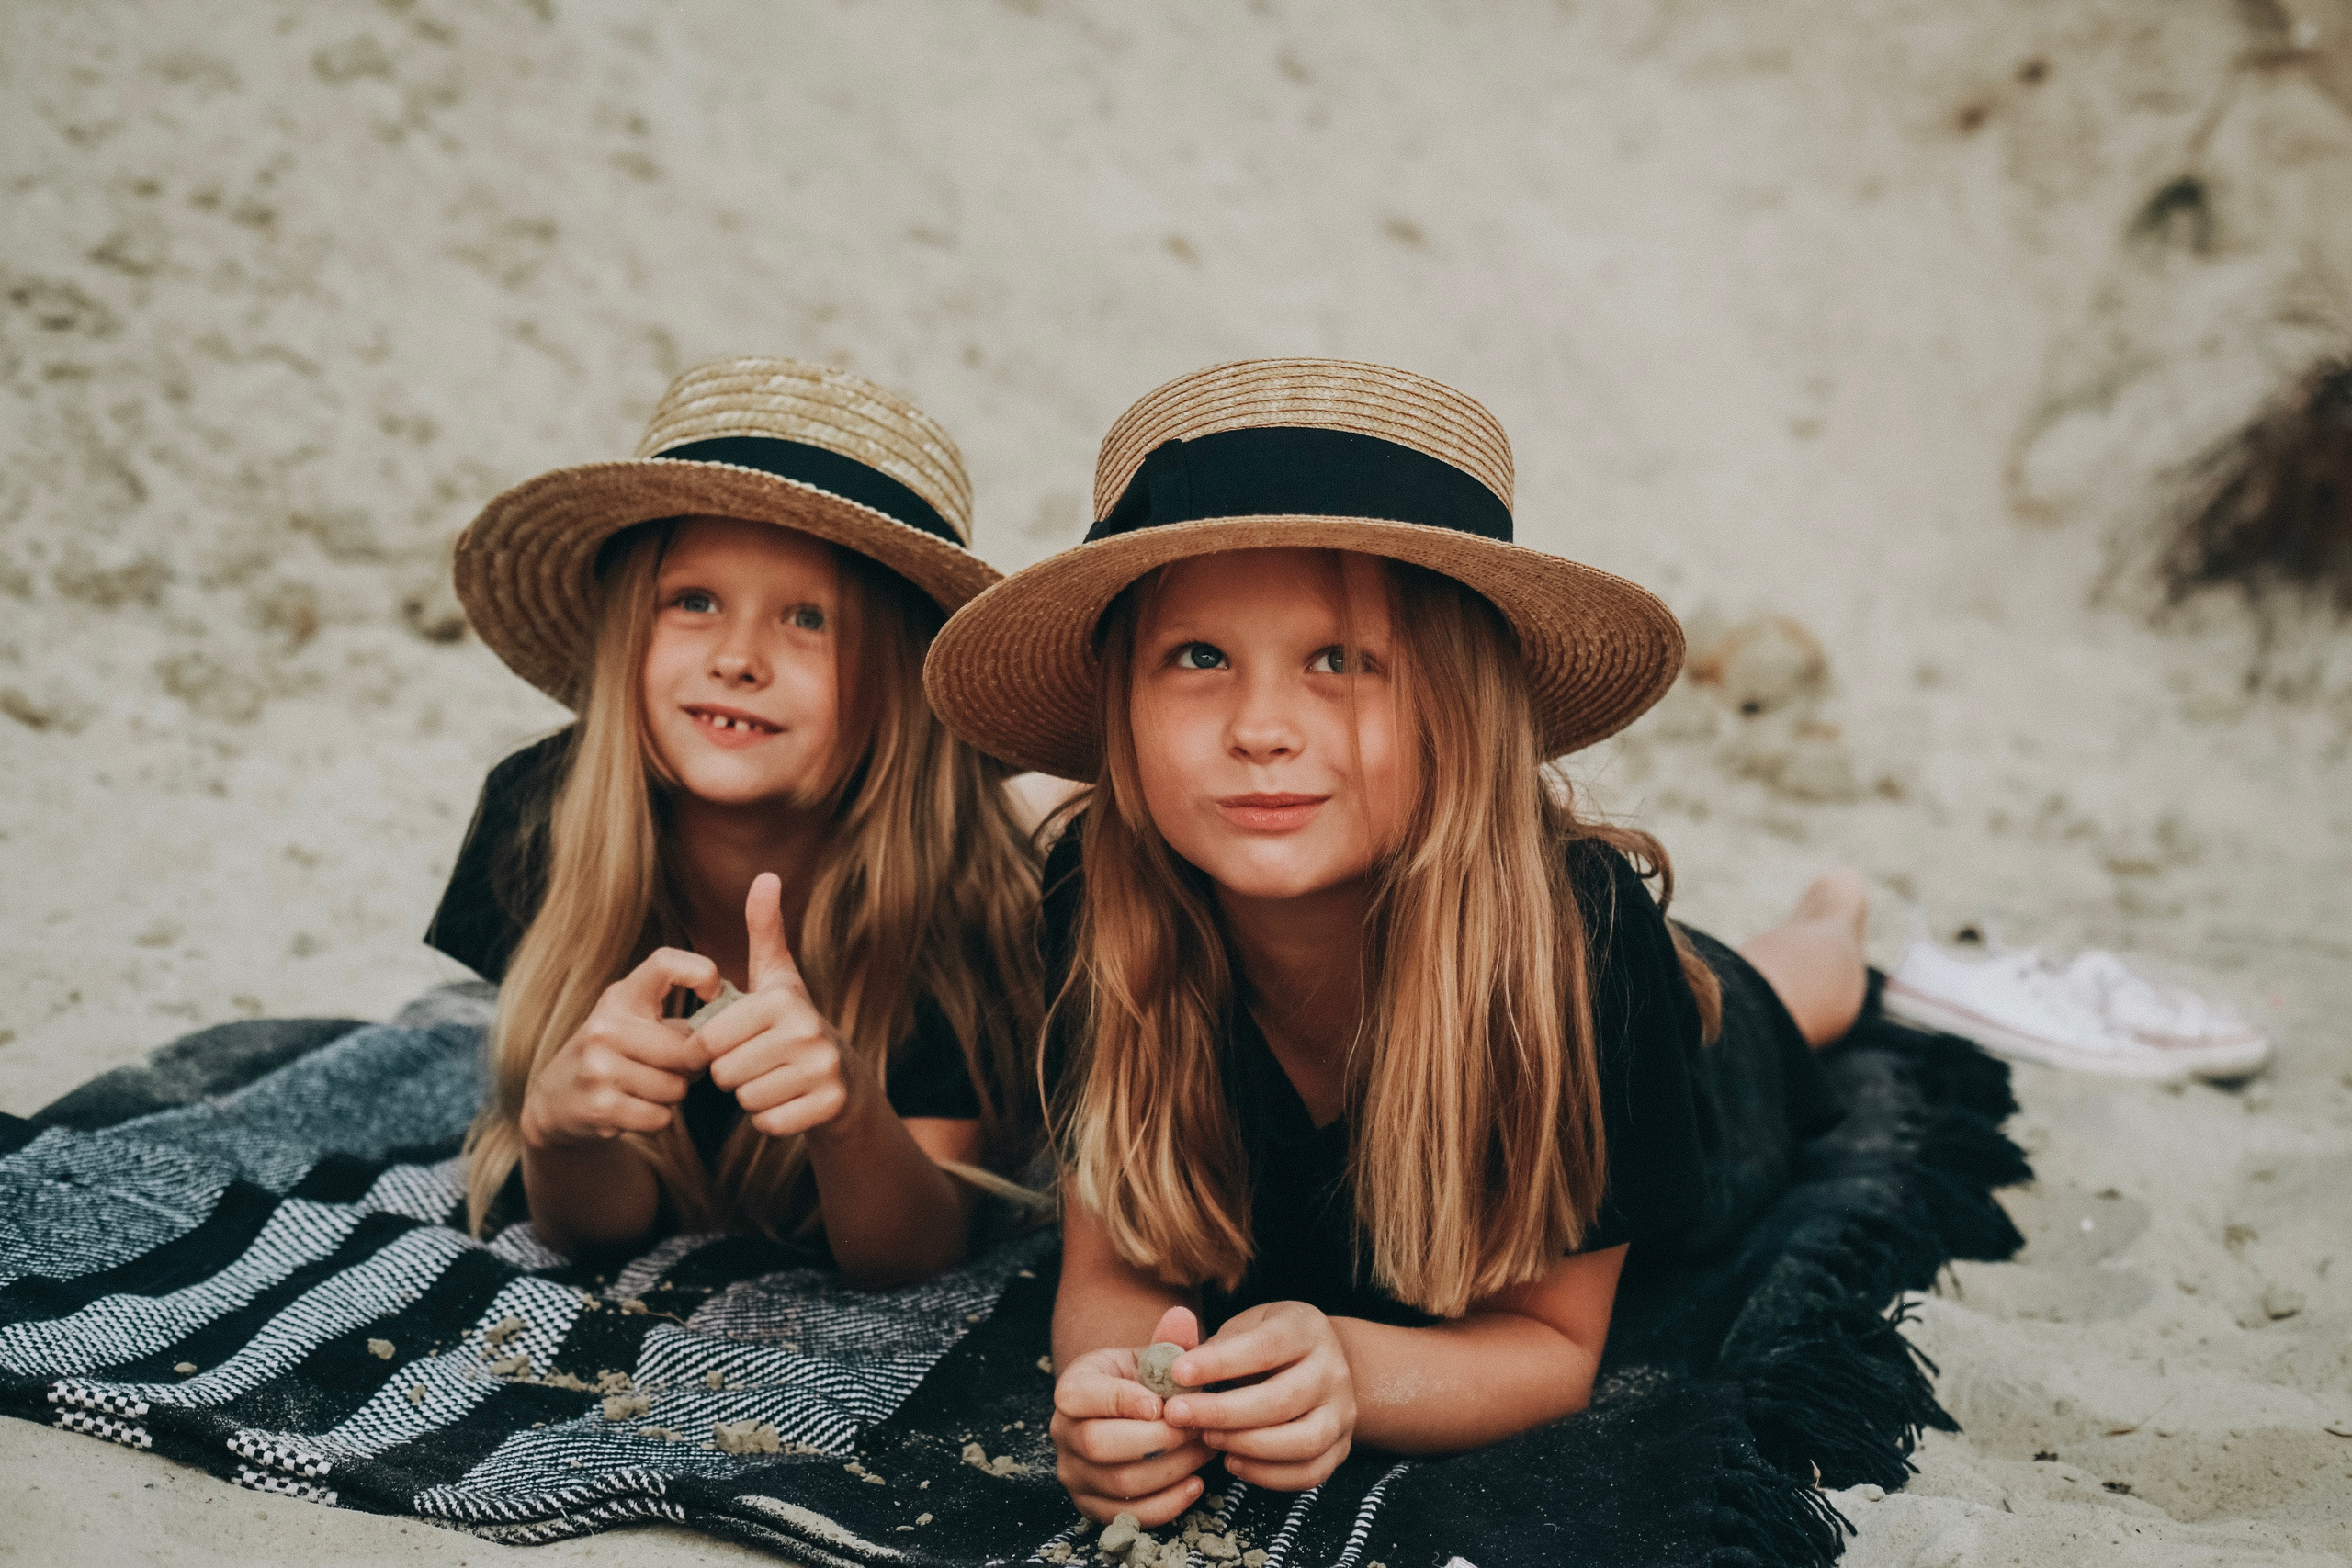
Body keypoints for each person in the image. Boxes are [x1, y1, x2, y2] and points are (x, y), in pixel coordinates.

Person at [922, 358, 1868, 1522]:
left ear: (1456, 705)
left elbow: (1551, 1345)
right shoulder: (1100, 894)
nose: (1261, 729)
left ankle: (1836, 910)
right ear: (1119, 701)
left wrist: (1357, 1375)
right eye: (1199, 657)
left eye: (1340, 660)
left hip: (1682, 1066)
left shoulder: (1582, 942)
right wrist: (1113, 1391)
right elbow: (1114, 1269)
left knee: (1782, 996)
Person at [431, 356, 1039, 1285]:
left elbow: (914, 1253)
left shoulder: (964, 888)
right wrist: (560, 1133)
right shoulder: (539, 815)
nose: (739, 659)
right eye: (695, 601)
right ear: (628, 628)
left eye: (809, 619)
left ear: (900, 678)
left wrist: (850, 1115)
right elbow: (603, 1232)